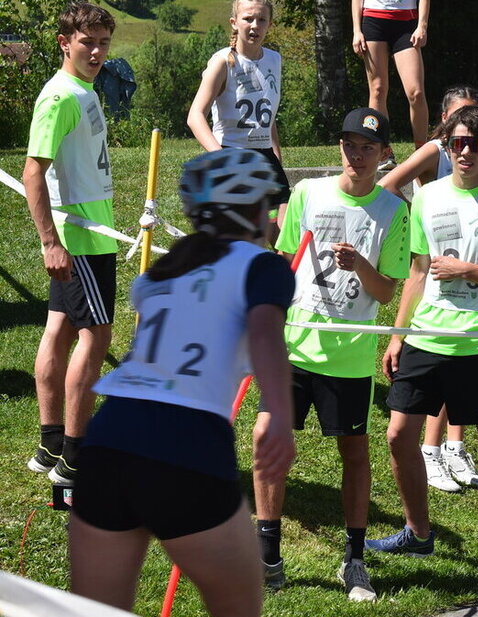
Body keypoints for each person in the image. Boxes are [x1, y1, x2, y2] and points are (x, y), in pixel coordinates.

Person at [68, 148, 296, 617]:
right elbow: (265, 333)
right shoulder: (262, 265)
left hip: (109, 438)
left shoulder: (165, 269)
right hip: (186, 441)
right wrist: (279, 413)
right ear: (255, 212)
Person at [368, 105, 478, 599]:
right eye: (456, 143)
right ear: (446, 147)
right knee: (398, 436)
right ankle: (418, 532)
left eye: (474, 144)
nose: (464, 151)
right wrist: (399, 335)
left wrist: (469, 270)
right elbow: (418, 271)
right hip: (425, 338)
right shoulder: (427, 197)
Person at [254, 108, 409, 600]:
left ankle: (355, 560)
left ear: (384, 154)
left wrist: (360, 265)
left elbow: (386, 292)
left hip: (349, 356)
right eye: (349, 145)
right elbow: (285, 260)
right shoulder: (308, 193)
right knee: (267, 440)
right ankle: (268, 556)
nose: (356, 155)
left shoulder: (393, 211)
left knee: (354, 453)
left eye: (367, 148)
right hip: (295, 347)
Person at [23, 2, 117, 485]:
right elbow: (32, 172)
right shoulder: (60, 97)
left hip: (89, 234)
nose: (96, 52)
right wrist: (51, 243)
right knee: (95, 337)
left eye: (103, 43)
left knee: (59, 330)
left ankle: (51, 446)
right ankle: (75, 460)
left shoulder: (83, 89)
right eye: (87, 43)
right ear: (65, 43)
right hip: (80, 240)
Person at [379, 86, 478, 495]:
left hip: (469, 264)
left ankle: (454, 446)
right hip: (435, 263)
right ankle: (430, 449)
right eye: (458, 118)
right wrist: (415, 217)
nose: (465, 129)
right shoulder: (435, 151)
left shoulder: (476, 158)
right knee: (438, 358)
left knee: (462, 362)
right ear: (444, 121)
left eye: (474, 117)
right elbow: (388, 185)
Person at [187, 0, 290, 232]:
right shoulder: (222, 61)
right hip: (231, 153)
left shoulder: (274, 59)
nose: (255, 25)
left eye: (261, 20)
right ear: (234, 23)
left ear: (270, 24)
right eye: (248, 19)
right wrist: (221, 158)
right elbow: (195, 116)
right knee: (242, 233)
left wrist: (276, 157)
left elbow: (269, 116)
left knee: (284, 233)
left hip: (265, 156)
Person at [351, 0, 430, 170]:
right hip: (373, 19)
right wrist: (356, 30)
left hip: (406, 22)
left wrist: (422, 26)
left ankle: (422, 152)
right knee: (377, 89)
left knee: (416, 92)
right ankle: (383, 152)